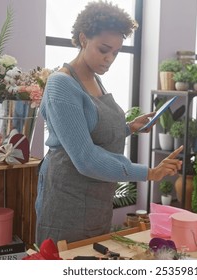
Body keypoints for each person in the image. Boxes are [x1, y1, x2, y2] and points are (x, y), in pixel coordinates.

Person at [35, 1, 183, 246]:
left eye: (115, 52)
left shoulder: (94, 78)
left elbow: (91, 131)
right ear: (83, 39)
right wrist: (149, 172)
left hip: (98, 198)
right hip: (67, 200)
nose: (109, 59)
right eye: (104, 49)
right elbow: (86, 157)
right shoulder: (61, 85)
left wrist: (128, 128)